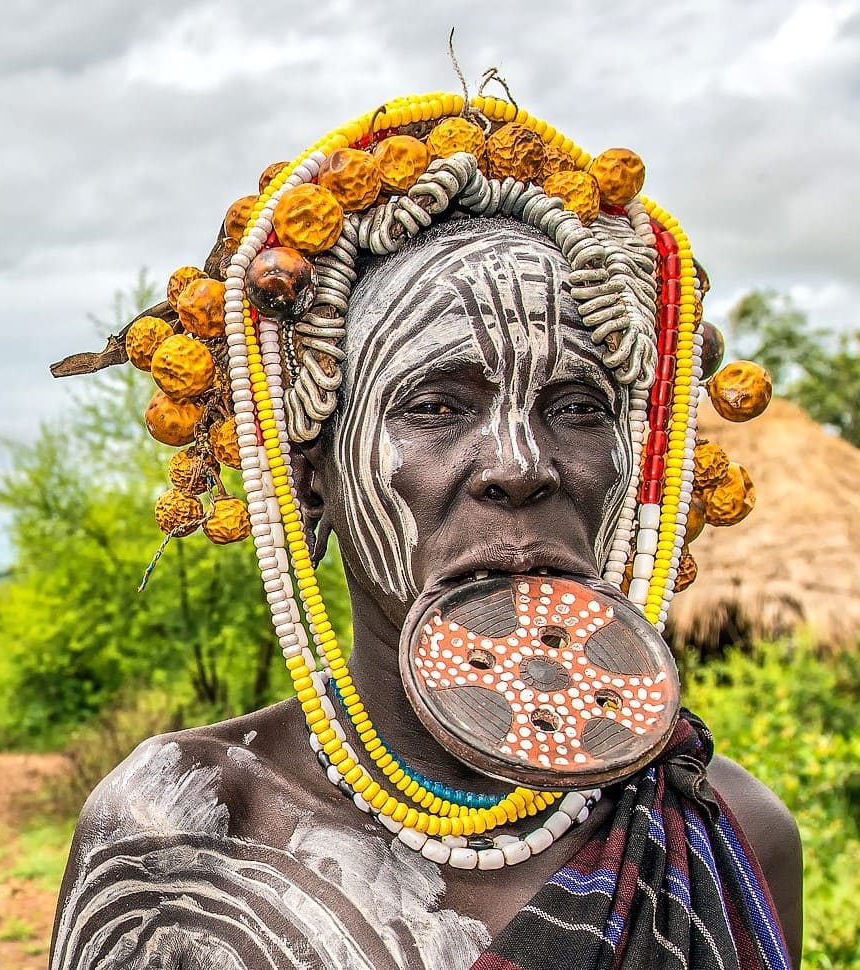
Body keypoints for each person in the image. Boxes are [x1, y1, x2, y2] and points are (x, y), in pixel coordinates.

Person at [48, 89, 801, 970]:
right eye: (437, 406)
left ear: (635, 464)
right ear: (310, 480)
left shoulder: (736, 835)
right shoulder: (179, 837)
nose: (521, 465)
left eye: (577, 407)